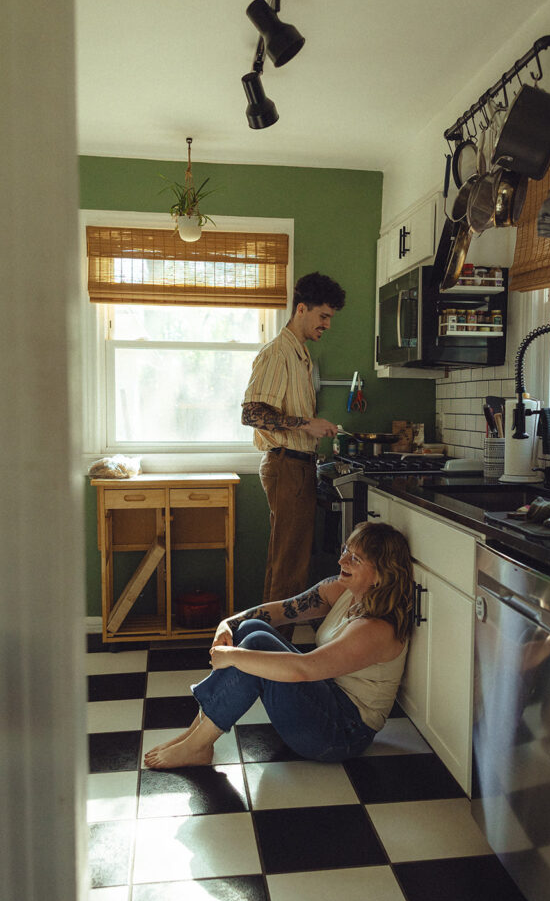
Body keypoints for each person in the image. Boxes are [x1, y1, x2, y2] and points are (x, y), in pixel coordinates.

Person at [144, 522, 414, 769]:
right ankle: (195, 737)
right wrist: (228, 623)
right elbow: (284, 610)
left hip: (342, 734)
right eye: (346, 549)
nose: (342, 559)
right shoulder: (345, 590)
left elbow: (304, 670)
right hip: (328, 698)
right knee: (250, 629)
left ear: (380, 575)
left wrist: (234, 657)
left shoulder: (377, 628)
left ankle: (197, 745)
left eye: (355, 558)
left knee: (254, 645)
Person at [241, 271, 345, 604]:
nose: (327, 325)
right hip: (287, 467)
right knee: (290, 567)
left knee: (287, 564)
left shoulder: (300, 354)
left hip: (296, 467)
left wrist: (312, 426)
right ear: (302, 309)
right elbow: (251, 414)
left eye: (330, 317)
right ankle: (274, 650)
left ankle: (270, 646)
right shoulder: (278, 354)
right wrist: (306, 424)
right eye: (323, 316)